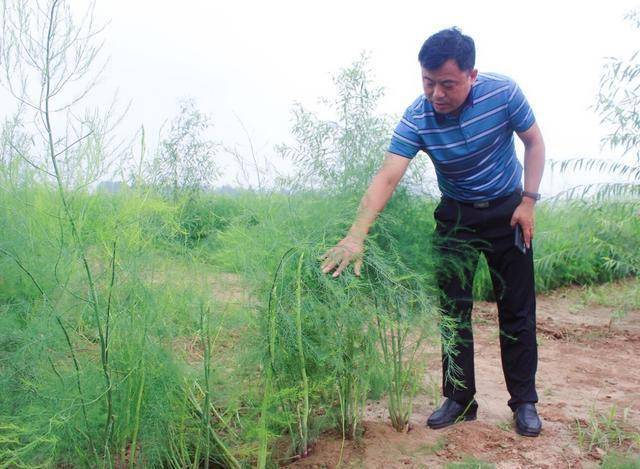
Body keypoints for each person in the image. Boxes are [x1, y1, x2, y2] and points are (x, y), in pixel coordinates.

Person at [321, 27, 545, 437]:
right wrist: (356, 235)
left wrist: (529, 201)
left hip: (508, 211)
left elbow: (533, 142)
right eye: (428, 82)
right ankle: (460, 399)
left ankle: (524, 402)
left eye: (447, 84)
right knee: (452, 312)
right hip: (456, 217)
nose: (436, 93)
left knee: (516, 309)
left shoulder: (504, 94)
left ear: (471, 75)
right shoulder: (418, 117)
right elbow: (388, 176)